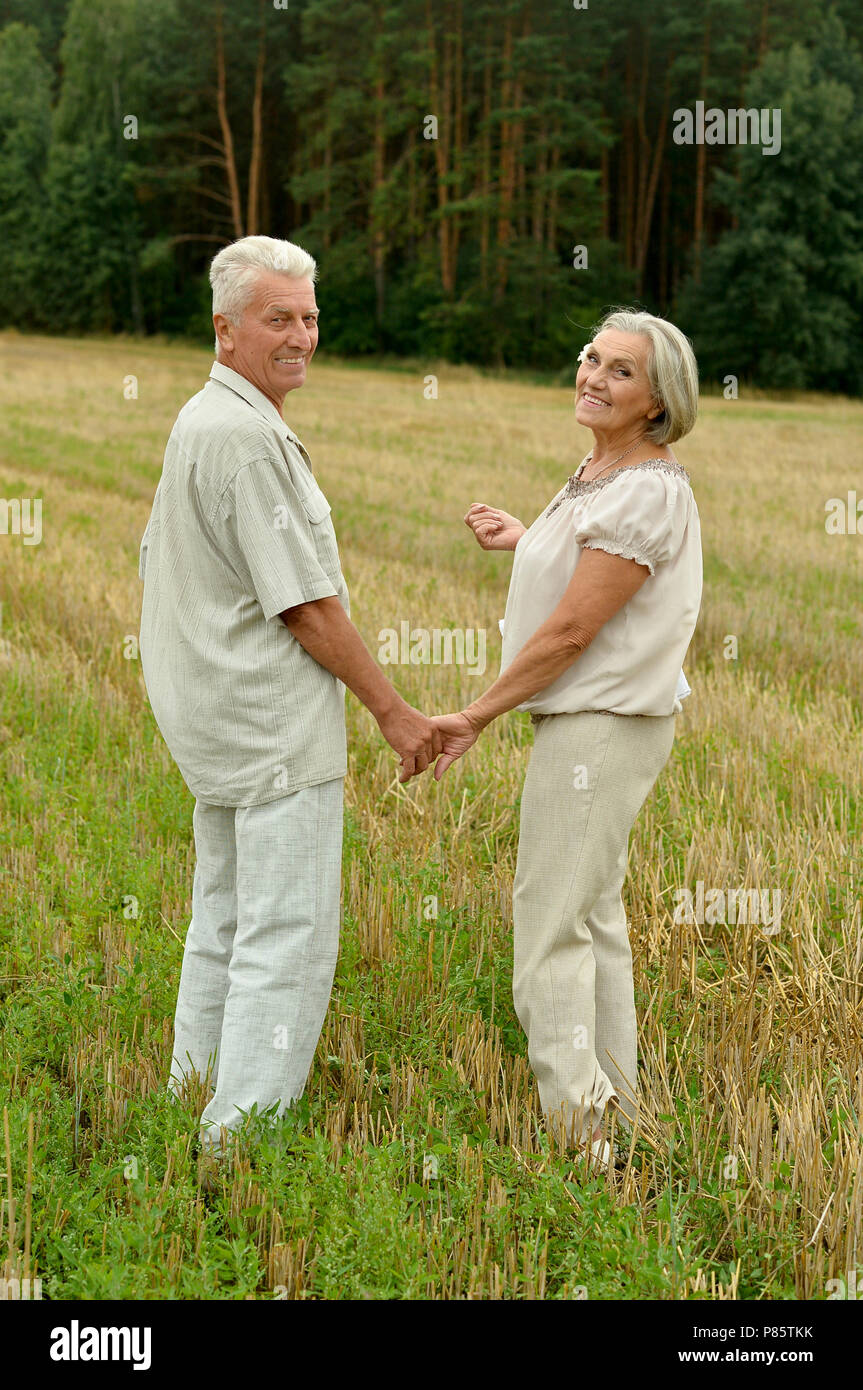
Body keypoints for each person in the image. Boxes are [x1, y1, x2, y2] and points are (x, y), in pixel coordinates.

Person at [137, 235, 441, 1173]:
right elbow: (307, 606)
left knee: (223, 917)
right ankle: (242, 1137)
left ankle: (194, 1088)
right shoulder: (247, 439)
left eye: (309, 315)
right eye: (279, 318)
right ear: (225, 330)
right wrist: (394, 711)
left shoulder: (203, 417)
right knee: (288, 932)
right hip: (269, 729)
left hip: (219, 724)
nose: (301, 334)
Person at [430, 309, 703, 1167]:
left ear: (658, 401)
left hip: (601, 730)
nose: (592, 375)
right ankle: (617, 1102)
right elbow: (583, 564)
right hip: (598, 725)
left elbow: (569, 635)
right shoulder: (599, 469)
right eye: (590, 357)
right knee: (592, 914)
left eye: (620, 370)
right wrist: (526, 538)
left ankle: (578, 1132)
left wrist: (474, 714)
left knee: (547, 922)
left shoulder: (645, 488)